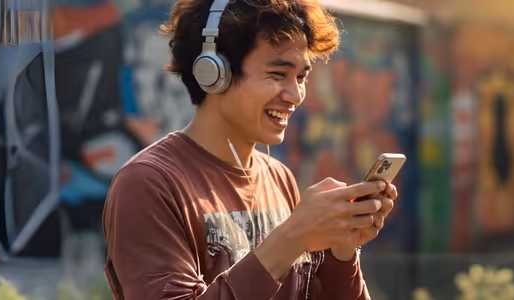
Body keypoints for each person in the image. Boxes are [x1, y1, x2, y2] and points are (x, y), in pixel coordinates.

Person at [101, 0, 399, 299]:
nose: (295, 95)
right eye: (278, 74)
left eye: (302, 77)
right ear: (214, 73)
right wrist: (292, 238)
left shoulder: (278, 176)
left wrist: (342, 251)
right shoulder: (148, 184)